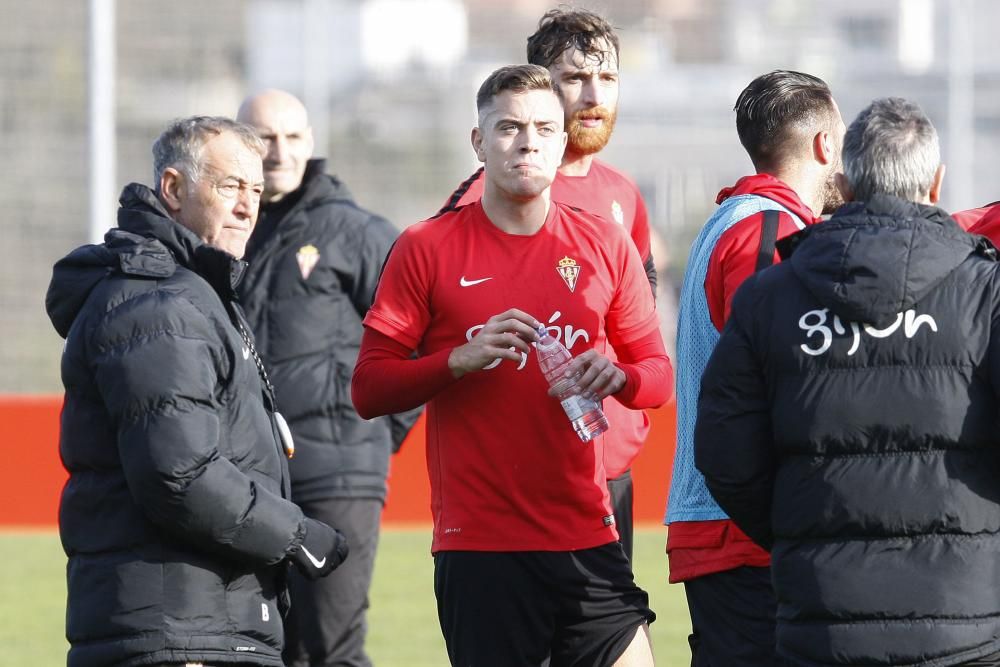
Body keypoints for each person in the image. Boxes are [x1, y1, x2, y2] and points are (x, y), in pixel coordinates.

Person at [352, 64, 672, 667]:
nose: (528, 141)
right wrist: (457, 361)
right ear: (479, 143)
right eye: (509, 127)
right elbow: (369, 388)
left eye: (544, 128)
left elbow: (657, 374)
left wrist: (621, 378)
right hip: (481, 549)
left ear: (562, 141)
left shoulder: (606, 243)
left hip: (588, 537)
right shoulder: (426, 246)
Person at [695, 96, 1000, 667]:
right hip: (964, 622)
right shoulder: (985, 293)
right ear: (936, 184)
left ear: (848, 182)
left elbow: (723, 451)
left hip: (820, 619)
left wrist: (797, 527)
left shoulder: (769, 295)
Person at [44, 116, 349, 667]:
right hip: (181, 633)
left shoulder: (193, 294)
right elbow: (178, 476)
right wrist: (297, 533)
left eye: (255, 190)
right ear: (174, 189)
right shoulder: (160, 304)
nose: (247, 206)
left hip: (197, 625)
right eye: (229, 185)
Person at [441, 7, 655, 561]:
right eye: (574, 78)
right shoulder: (481, 200)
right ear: (539, 89)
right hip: (524, 489)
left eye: (606, 79)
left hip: (610, 474)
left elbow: (640, 336)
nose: (593, 96)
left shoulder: (623, 194)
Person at [665, 70, 845, 665]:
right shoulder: (768, 231)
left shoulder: (743, 217)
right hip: (743, 529)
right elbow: (779, 384)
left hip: (729, 524)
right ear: (824, 144)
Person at [236, 89, 420, 667]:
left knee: (328, 649)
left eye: (292, 137)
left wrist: (368, 441)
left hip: (339, 478)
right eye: (264, 138)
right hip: (252, 477)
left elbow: (420, 342)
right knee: (261, 645)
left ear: (311, 144)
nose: (278, 152)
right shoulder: (228, 232)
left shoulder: (357, 232)